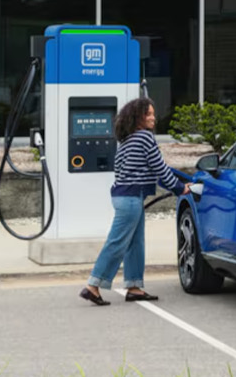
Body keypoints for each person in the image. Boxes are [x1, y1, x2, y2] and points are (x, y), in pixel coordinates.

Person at [79, 98, 190, 306]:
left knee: (135, 243)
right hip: (130, 198)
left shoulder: (127, 140)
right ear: (137, 117)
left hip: (124, 195)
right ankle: (92, 286)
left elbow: (128, 170)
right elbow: (160, 170)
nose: (153, 118)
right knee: (118, 242)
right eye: (148, 114)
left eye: (153, 114)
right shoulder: (145, 138)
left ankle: (134, 287)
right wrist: (180, 188)